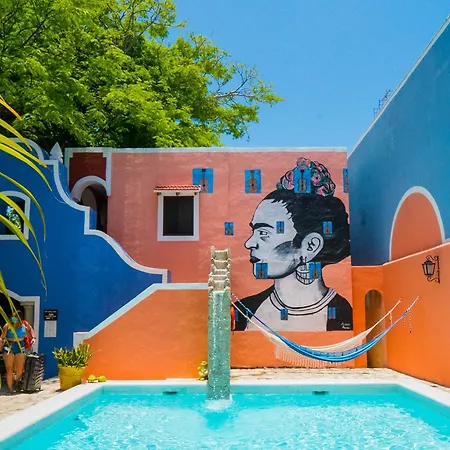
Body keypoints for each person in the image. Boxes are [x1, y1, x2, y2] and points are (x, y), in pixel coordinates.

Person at [234, 157, 352, 332]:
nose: (249, 243)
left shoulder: (342, 315)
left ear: (310, 246)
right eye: (254, 231)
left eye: (264, 233)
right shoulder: (244, 311)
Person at [0, 312, 35, 394]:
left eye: (16, 317)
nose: (14, 319)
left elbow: (30, 329)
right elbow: (2, 337)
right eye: (13, 317)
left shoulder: (24, 325)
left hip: (20, 346)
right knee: (9, 368)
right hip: (9, 346)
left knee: (20, 369)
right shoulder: (7, 326)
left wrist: (33, 337)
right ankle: (10, 388)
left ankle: (17, 383)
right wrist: (1, 344)